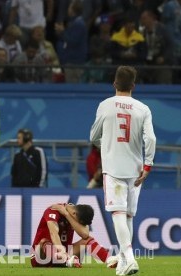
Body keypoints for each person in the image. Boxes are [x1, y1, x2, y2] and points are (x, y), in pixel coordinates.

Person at [90, 66, 156, 275]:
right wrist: (148, 165)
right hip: (136, 170)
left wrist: (106, 145)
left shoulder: (105, 105)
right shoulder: (143, 108)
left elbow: (93, 136)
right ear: (133, 86)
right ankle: (122, 261)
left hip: (113, 168)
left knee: (118, 213)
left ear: (114, 84)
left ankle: (129, 258)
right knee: (128, 216)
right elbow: (151, 139)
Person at [31, 203, 118, 269]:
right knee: (44, 242)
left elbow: (85, 234)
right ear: (74, 213)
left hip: (63, 256)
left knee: (87, 240)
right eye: (79, 222)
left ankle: (109, 260)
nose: (77, 225)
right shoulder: (53, 211)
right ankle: (67, 261)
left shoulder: (72, 212)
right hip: (40, 257)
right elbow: (53, 233)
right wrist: (63, 253)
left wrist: (67, 215)